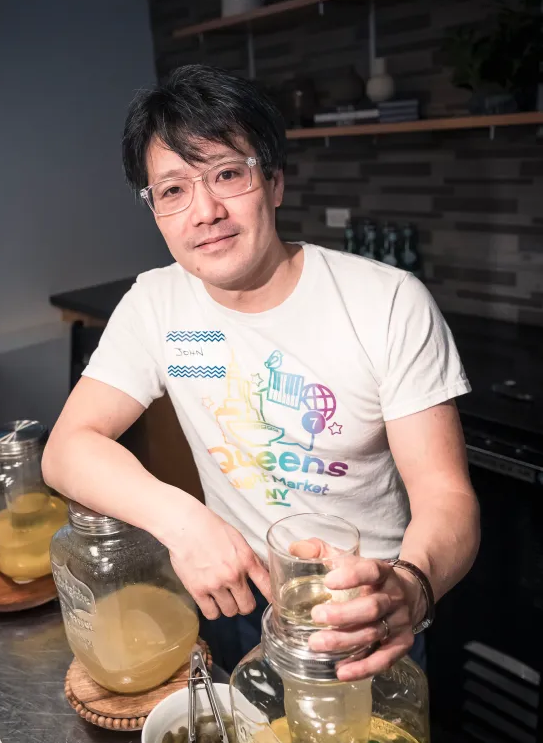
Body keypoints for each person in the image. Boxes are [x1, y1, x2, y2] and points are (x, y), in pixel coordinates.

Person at [43, 65, 480, 680]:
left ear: (273, 182)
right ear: (156, 211)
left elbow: (446, 495)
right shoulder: (158, 304)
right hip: (238, 598)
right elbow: (66, 451)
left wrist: (407, 588)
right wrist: (185, 521)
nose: (205, 211)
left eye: (227, 174)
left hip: (367, 611)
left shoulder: (387, 302)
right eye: (172, 191)